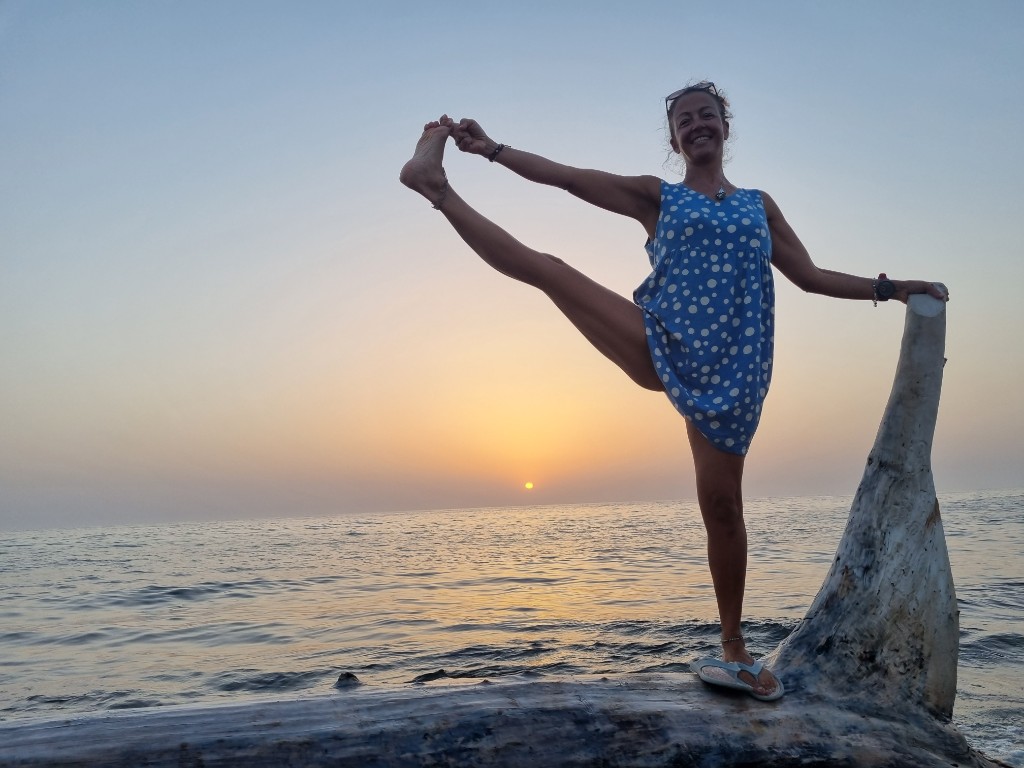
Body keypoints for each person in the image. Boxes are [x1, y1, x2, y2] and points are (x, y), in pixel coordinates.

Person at [399, 81, 947, 701]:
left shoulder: (759, 206)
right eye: (684, 121)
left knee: (723, 510)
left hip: (735, 377)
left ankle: (733, 647)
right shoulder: (658, 198)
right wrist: (492, 149)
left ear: (725, 127)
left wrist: (894, 286)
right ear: (674, 139)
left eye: (706, 115)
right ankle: (436, 188)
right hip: (660, 341)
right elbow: (570, 179)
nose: (696, 126)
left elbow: (811, 275)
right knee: (549, 270)